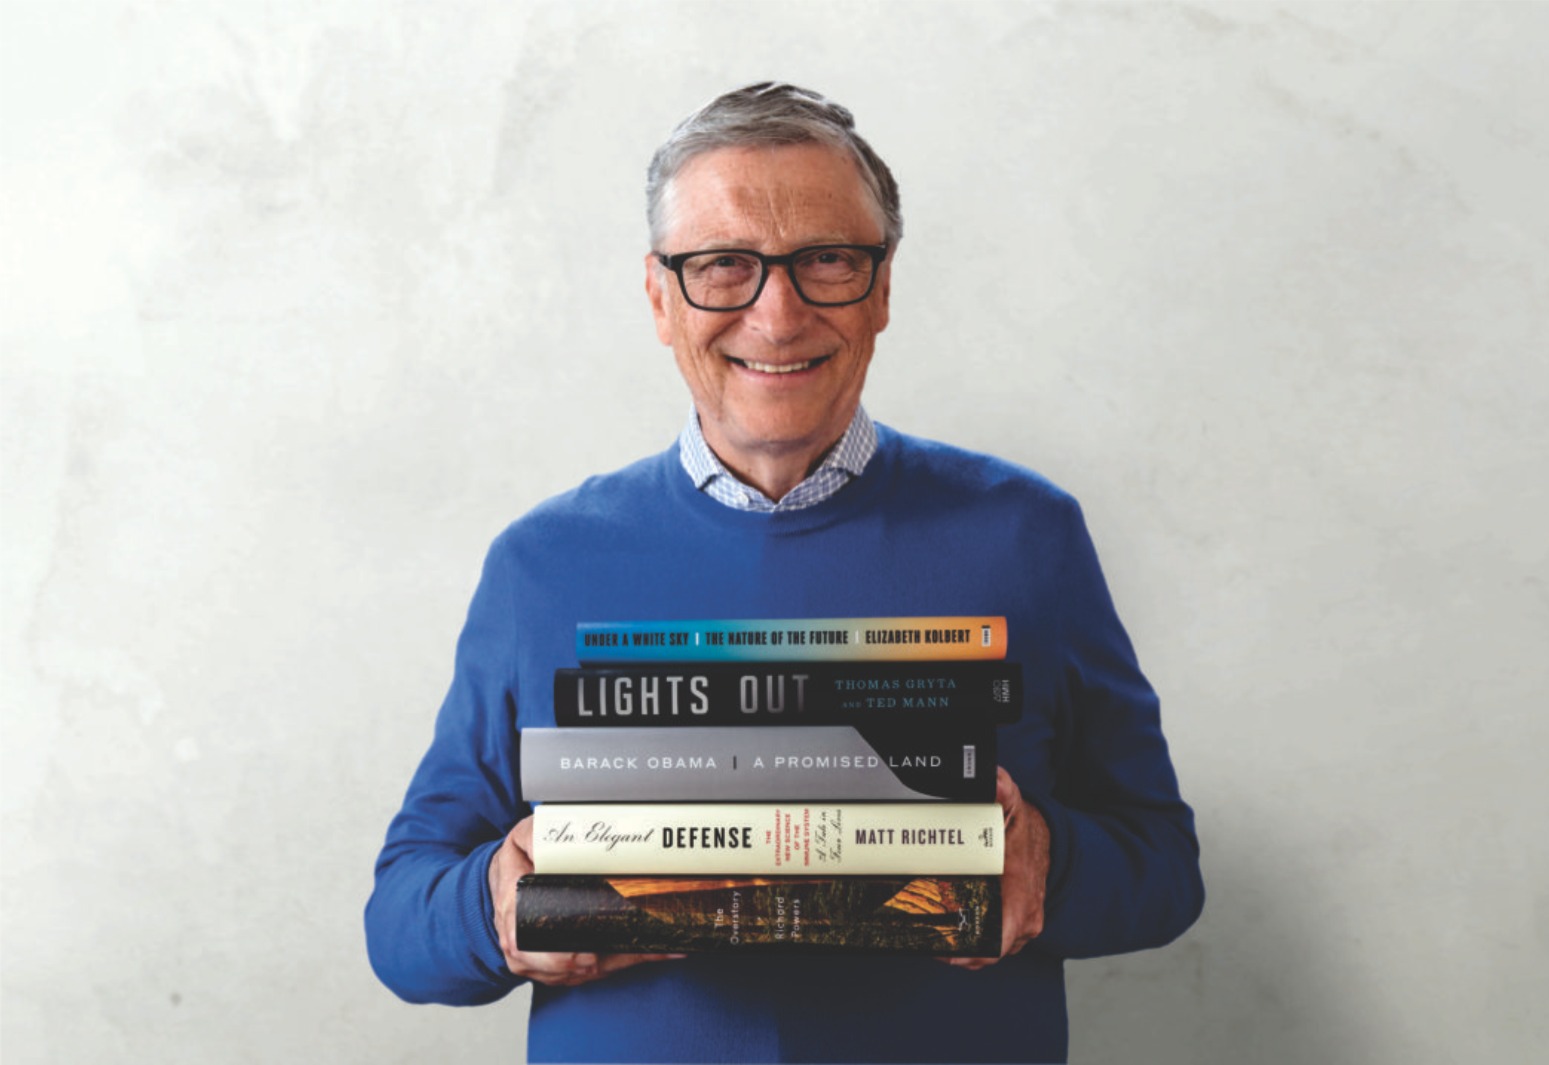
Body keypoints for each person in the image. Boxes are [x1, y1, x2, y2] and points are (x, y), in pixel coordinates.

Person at [366, 82, 1203, 1063]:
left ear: (881, 289)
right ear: (659, 296)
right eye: (723, 264)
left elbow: (1164, 869)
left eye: (827, 260)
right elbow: (400, 923)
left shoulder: (1027, 535)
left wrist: (1045, 868)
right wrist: (496, 906)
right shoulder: (541, 565)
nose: (777, 314)